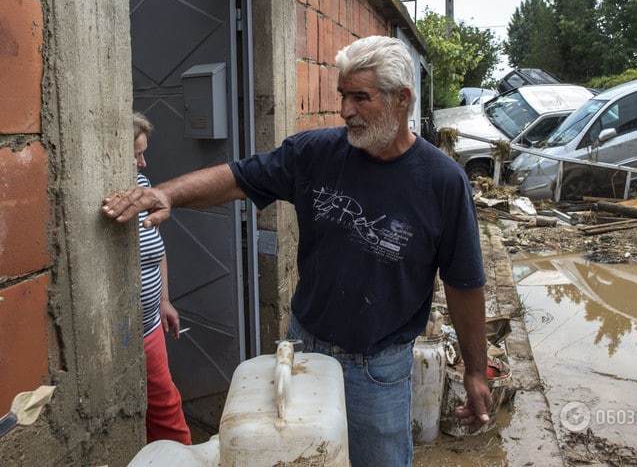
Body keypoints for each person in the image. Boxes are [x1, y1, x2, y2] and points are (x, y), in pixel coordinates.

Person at [105, 38, 489, 466]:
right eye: (342, 96)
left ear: (402, 100)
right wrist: (167, 194)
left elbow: (464, 285)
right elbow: (239, 177)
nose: (345, 110)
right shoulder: (316, 153)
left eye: (360, 97)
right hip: (303, 349)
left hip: (377, 368)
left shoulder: (443, 182)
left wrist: (475, 370)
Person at [132, 112, 192, 445]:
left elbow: (158, 249)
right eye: (136, 155)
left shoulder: (142, 188)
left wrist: (164, 300)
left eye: (144, 152)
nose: (143, 163)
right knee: (152, 410)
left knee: (164, 405)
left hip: (150, 323)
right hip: (128, 334)